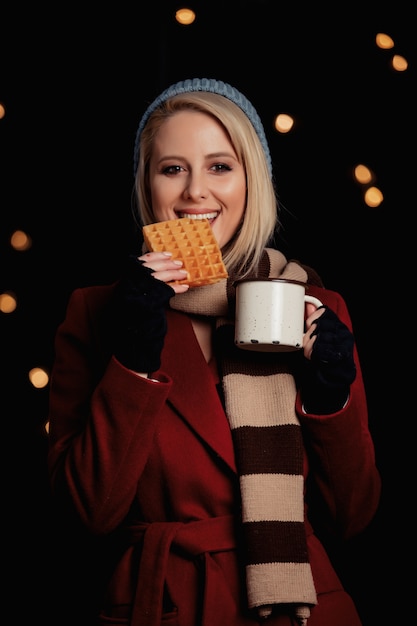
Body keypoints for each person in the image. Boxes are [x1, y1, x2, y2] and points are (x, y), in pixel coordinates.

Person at [47, 77, 381, 626]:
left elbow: (353, 516)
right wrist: (132, 358)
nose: (195, 192)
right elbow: (88, 511)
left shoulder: (315, 308)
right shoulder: (96, 311)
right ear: (146, 185)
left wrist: (329, 400)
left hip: (302, 605)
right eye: (172, 168)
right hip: (165, 603)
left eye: (220, 166)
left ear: (254, 181)